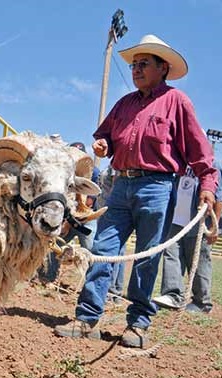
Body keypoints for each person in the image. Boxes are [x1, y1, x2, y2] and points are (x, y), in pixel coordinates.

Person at [54, 34, 218, 348]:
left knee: (147, 256)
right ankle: (88, 318)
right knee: (103, 249)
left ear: (163, 68)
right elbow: (105, 137)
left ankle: (138, 324)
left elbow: (200, 151)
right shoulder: (124, 104)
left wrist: (208, 185)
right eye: (133, 65)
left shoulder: (176, 102)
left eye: (144, 64)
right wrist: (103, 145)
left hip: (158, 186)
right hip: (120, 184)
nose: (136, 70)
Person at [153, 161, 222, 314]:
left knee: (198, 262)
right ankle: (173, 295)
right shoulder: (178, 162)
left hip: (198, 222)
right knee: (171, 256)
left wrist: (214, 227)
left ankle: (202, 302)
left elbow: (219, 197)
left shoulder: (212, 165)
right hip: (175, 220)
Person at [37, 141, 100, 283]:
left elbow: (89, 200)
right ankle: (46, 278)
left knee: (92, 250)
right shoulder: (61, 171)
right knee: (54, 244)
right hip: (67, 216)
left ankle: (92, 285)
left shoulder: (94, 172)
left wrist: (70, 221)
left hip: (86, 218)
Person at [98, 165, 126, 304]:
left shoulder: (117, 165)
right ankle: (115, 290)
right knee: (119, 252)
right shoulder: (111, 165)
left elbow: (115, 186)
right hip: (108, 209)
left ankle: (110, 290)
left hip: (112, 211)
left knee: (113, 252)